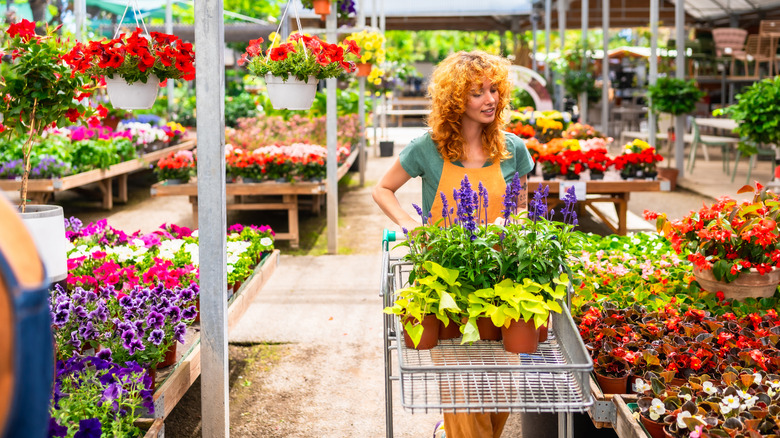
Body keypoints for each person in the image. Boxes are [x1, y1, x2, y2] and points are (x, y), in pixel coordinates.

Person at [372, 50, 534, 438]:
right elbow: (383, 189)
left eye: (494, 90)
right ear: (455, 99)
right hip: (447, 279)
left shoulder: (514, 148)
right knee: (462, 385)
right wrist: (411, 224)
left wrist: (513, 225)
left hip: (503, 280)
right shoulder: (427, 148)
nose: (490, 99)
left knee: (501, 390)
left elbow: (524, 204)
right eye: (477, 92)